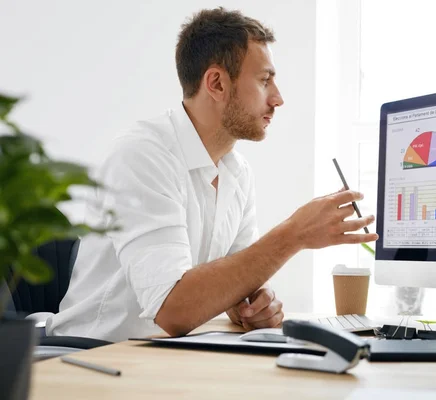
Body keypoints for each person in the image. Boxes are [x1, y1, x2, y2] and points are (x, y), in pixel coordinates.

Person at [46, 7, 377, 342]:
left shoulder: (237, 171)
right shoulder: (142, 156)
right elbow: (174, 311)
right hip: (91, 355)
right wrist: (294, 234)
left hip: (161, 358)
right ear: (217, 83)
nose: (277, 98)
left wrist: (254, 302)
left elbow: (241, 274)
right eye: (264, 81)